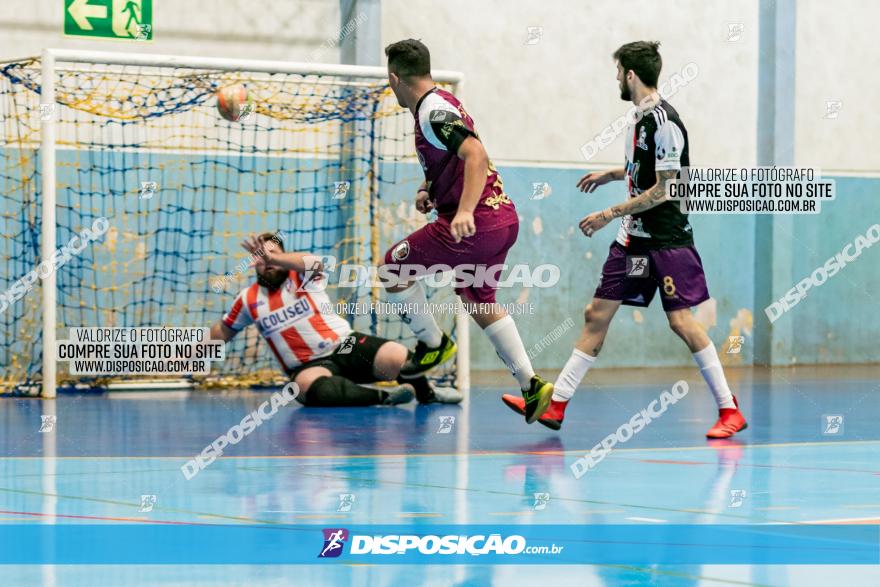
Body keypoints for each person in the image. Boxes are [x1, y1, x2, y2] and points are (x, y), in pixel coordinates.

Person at [503, 41, 747, 438]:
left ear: (631, 74)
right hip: (632, 241)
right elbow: (644, 168)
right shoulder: (638, 118)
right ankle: (556, 405)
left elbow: (665, 189)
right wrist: (612, 175)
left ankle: (728, 409)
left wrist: (608, 213)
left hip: (666, 241)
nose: (615, 77)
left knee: (681, 322)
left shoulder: (666, 122)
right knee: (596, 315)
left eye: (618, 71)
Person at [381, 38, 553, 423]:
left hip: (474, 225)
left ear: (395, 78)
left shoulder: (431, 111)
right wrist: (429, 188)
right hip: (502, 220)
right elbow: (452, 158)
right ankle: (533, 387)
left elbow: (474, 153)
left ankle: (433, 344)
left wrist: (462, 211)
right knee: (477, 298)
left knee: (391, 269)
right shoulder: (441, 102)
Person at [209, 232, 461, 407]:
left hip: (345, 345)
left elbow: (316, 262)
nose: (267, 262)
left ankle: (427, 394)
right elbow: (222, 331)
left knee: (398, 356)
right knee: (306, 388)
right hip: (307, 366)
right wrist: (184, 353)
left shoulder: (301, 277)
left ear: (283, 256)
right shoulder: (247, 299)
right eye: (260, 257)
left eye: (272, 255)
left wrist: (272, 256)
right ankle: (385, 397)